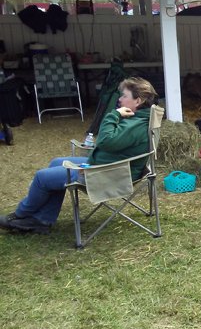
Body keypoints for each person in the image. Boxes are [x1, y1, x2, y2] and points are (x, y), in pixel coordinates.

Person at [0, 77, 158, 234]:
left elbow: (105, 142)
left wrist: (114, 115)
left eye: (124, 96)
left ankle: (20, 215)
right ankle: (42, 219)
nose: (120, 99)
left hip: (110, 174)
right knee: (57, 162)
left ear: (138, 101)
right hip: (110, 165)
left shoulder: (136, 125)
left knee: (42, 178)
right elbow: (110, 143)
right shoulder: (136, 119)